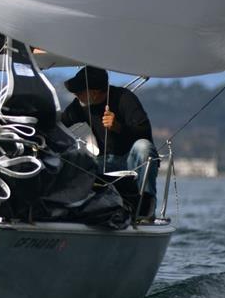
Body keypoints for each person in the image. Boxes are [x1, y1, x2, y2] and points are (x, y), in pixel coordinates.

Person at [60, 66, 158, 217]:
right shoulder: (81, 105)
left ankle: (146, 206)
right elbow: (60, 122)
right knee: (80, 161)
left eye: (79, 91)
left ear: (94, 92)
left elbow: (144, 131)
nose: (75, 94)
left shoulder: (124, 97)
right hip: (104, 161)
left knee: (143, 147)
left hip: (130, 159)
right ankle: (73, 209)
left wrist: (118, 127)